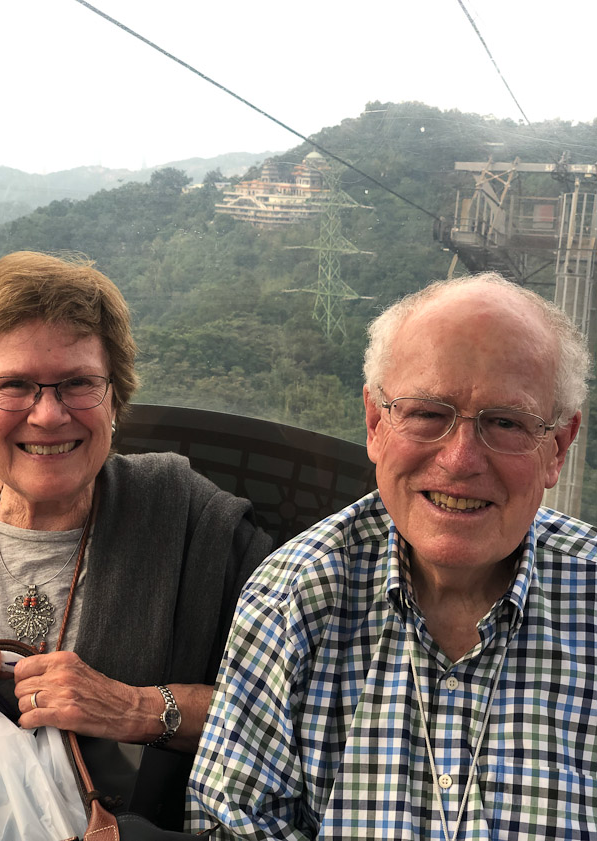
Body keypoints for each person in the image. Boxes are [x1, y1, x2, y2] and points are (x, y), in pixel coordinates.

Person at [187, 272, 597, 840]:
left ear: (558, 447)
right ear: (377, 424)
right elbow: (231, 826)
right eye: (428, 413)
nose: (459, 460)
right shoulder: (291, 597)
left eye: (505, 422)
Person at [0, 250, 272, 832]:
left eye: (79, 383)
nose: (49, 414)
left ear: (114, 399)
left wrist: (136, 707)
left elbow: (294, 706)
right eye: (13, 385)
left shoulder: (187, 519)